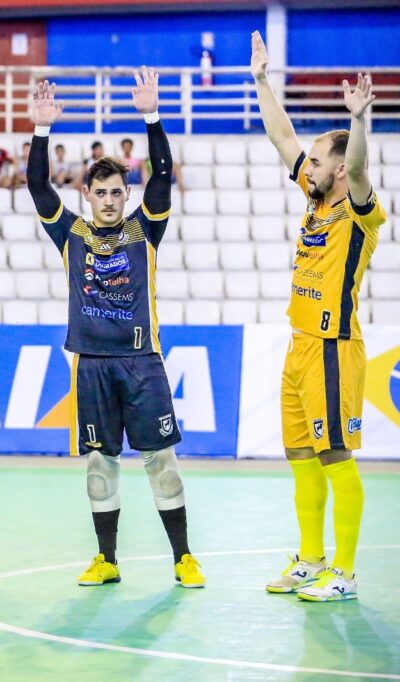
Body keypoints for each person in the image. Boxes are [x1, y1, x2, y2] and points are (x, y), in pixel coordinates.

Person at [27, 73, 206, 589]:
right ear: (85, 195)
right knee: (100, 466)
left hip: (142, 363)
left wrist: (153, 118)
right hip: (90, 365)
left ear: (127, 195)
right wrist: (40, 131)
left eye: (116, 192)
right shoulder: (70, 234)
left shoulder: (145, 229)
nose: (109, 200)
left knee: (161, 462)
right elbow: (38, 186)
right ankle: (106, 559)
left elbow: (164, 174)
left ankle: (183, 558)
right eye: (100, 192)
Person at [251, 32, 383, 602]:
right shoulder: (313, 193)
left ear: (335, 164)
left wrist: (358, 122)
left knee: (335, 455)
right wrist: (260, 80)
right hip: (298, 345)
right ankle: (310, 559)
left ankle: (345, 574)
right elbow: (282, 134)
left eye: (317, 158)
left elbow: (356, 167)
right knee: (300, 455)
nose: (308, 163)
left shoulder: (358, 208)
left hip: (333, 346)